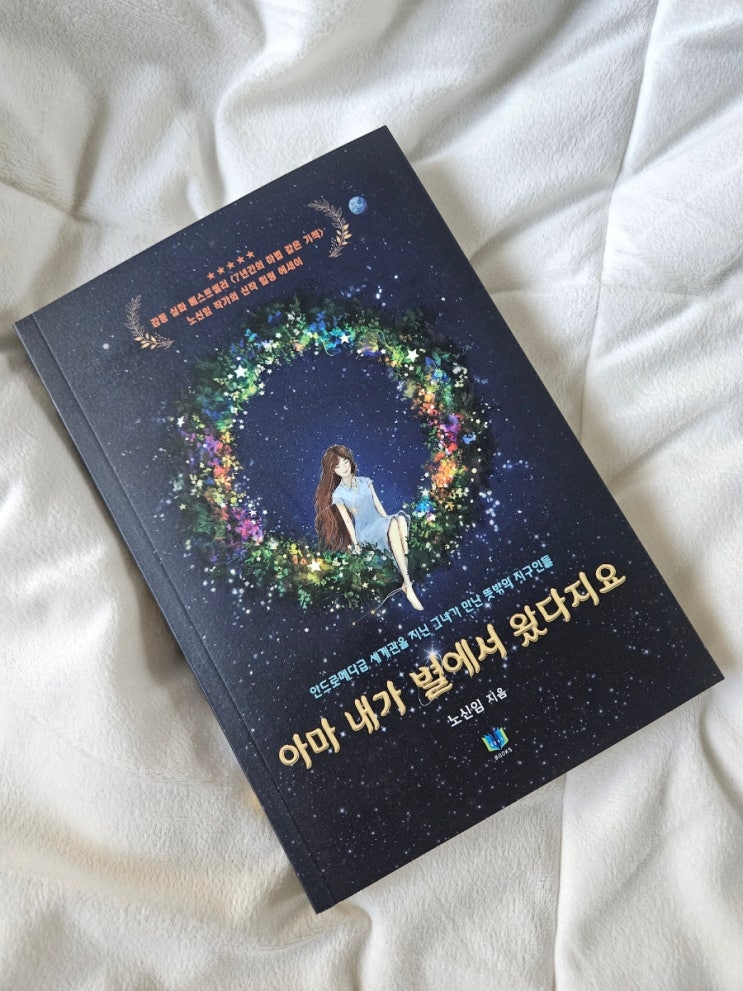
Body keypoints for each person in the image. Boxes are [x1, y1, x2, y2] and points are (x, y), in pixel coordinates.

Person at [314, 444, 423, 611]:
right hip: (366, 531)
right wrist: (356, 543)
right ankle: (408, 583)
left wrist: (388, 521)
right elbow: (348, 521)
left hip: (380, 522)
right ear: (333, 471)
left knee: (400, 520)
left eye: (345, 462)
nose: (343, 467)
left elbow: (378, 505)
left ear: (350, 461)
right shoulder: (338, 494)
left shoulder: (365, 481)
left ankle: (404, 563)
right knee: (396, 524)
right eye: (338, 466)